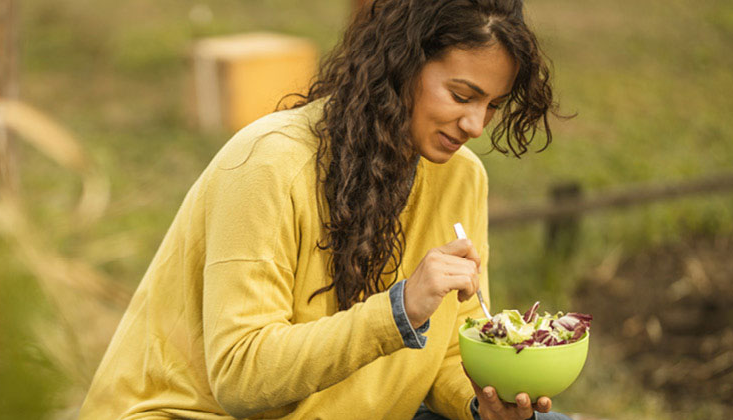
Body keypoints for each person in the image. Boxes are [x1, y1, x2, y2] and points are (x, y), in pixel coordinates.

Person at [80, 0, 570, 418]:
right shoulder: (267, 163)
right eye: (462, 95)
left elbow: (442, 353)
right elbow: (240, 376)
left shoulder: (462, 177)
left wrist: (479, 404)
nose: (475, 124)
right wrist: (398, 311)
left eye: (492, 106)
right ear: (401, 64)